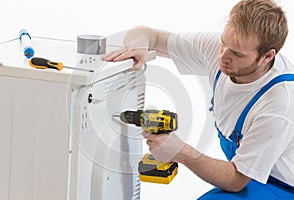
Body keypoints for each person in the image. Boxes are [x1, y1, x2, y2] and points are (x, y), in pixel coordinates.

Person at [102, 0, 294, 199]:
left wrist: (182, 152)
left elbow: (236, 179)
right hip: (249, 176)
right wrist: (139, 44)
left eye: (237, 54)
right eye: (223, 42)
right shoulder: (222, 50)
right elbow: (148, 34)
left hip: (281, 186)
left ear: (267, 56)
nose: (223, 56)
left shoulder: (279, 103)